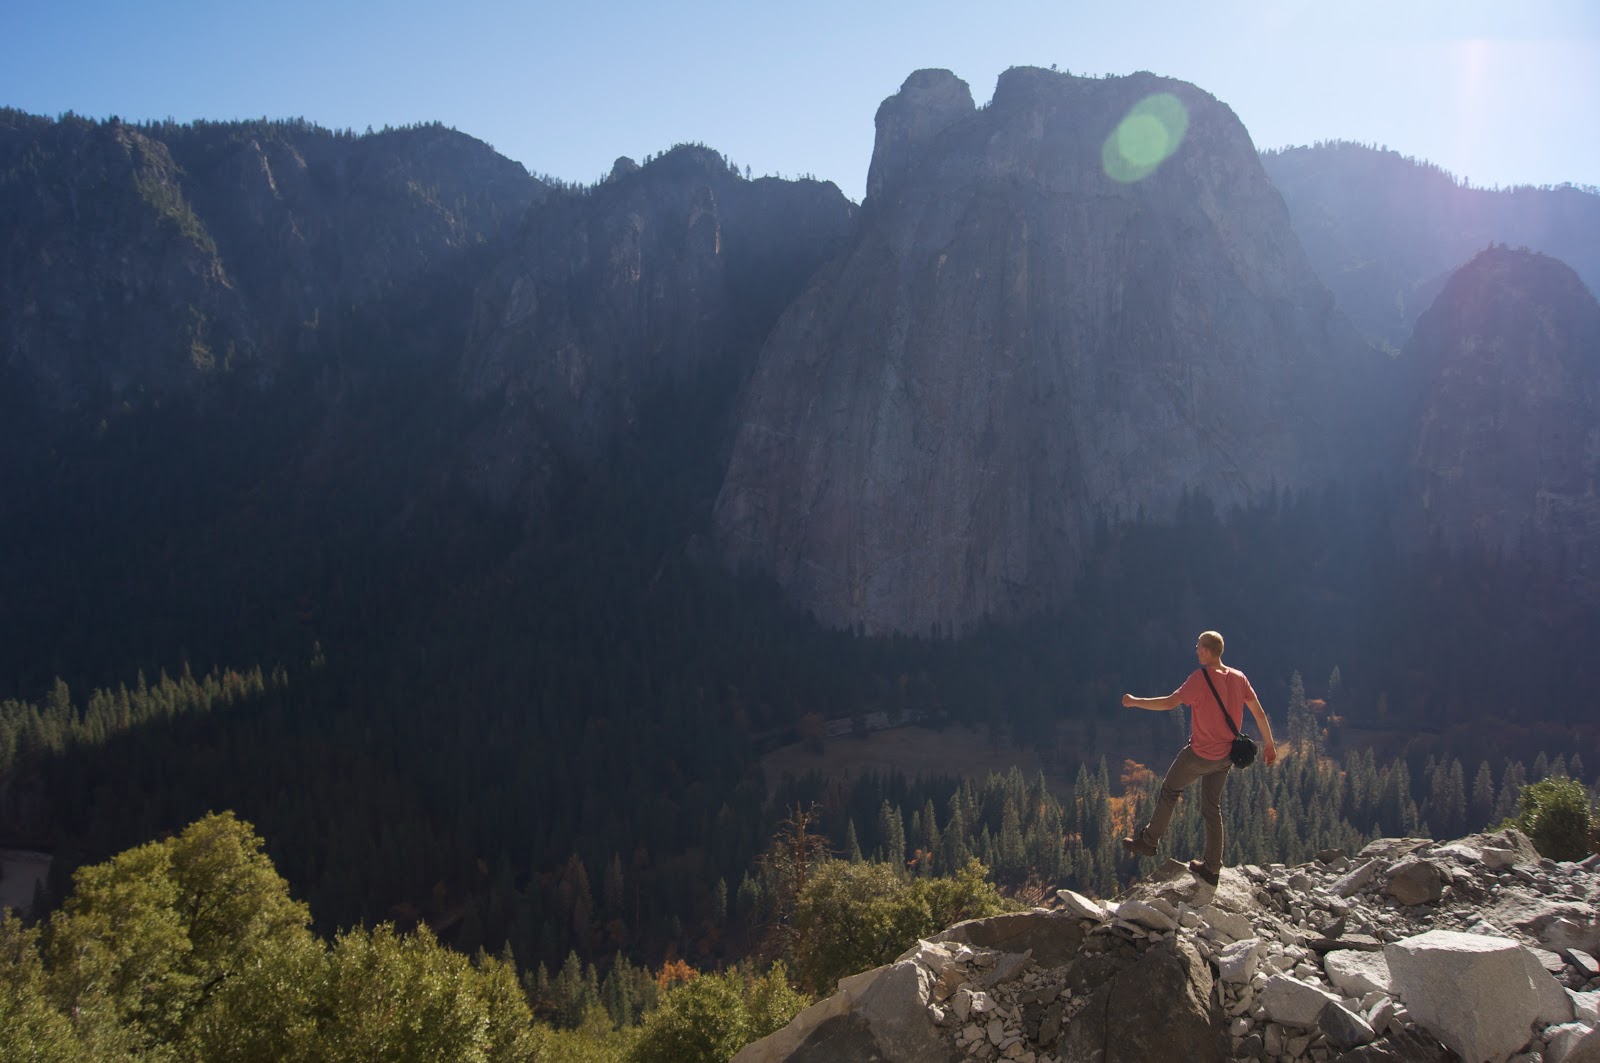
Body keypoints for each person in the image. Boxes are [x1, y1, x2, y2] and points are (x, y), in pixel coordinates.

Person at [1119, 630, 1278, 886]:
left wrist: (1136, 701)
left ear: (1206, 650)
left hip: (1200, 754)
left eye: (1198, 647)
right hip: (1226, 756)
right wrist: (1269, 746)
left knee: (1170, 790)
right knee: (1211, 808)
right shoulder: (1239, 678)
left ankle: (1149, 841)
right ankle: (1212, 868)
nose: (1196, 650)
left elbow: (1170, 703)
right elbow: (1258, 713)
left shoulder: (1200, 679)